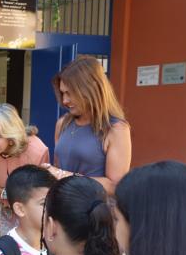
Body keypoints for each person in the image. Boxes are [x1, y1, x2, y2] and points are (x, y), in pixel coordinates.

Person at [46, 56, 131, 196]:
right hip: (61, 208)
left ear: (90, 90)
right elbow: (57, 168)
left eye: (70, 93)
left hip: (92, 212)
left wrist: (62, 175)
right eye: (62, 93)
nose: (65, 100)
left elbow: (115, 186)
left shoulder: (116, 129)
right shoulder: (63, 123)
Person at [0, 103, 50, 234]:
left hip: (31, 210)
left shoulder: (37, 151)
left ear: (11, 136)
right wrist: (4, 198)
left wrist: (6, 193)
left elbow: (41, 193)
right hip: (3, 206)